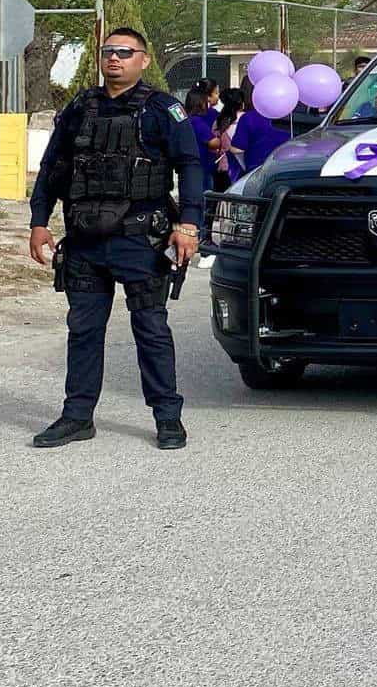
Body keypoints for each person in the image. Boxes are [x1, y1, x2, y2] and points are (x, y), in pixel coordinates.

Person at [26, 27, 203, 451]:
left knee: (150, 328)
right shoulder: (79, 108)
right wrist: (38, 221)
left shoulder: (163, 110)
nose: (114, 59)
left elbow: (191, 167)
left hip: (140, 239)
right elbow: (53, 165)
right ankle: (76, 416)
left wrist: (189, 226)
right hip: (85, 240)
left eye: (125, 52)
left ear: (143, 60)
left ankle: (168, 418)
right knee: (83, 329)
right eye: (108, 52)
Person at [229, 84, 292, 173]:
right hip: (289, 170)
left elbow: (237, 149)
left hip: (257, 171)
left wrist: (246, 168)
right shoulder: (294, 118)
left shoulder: (248, 118)